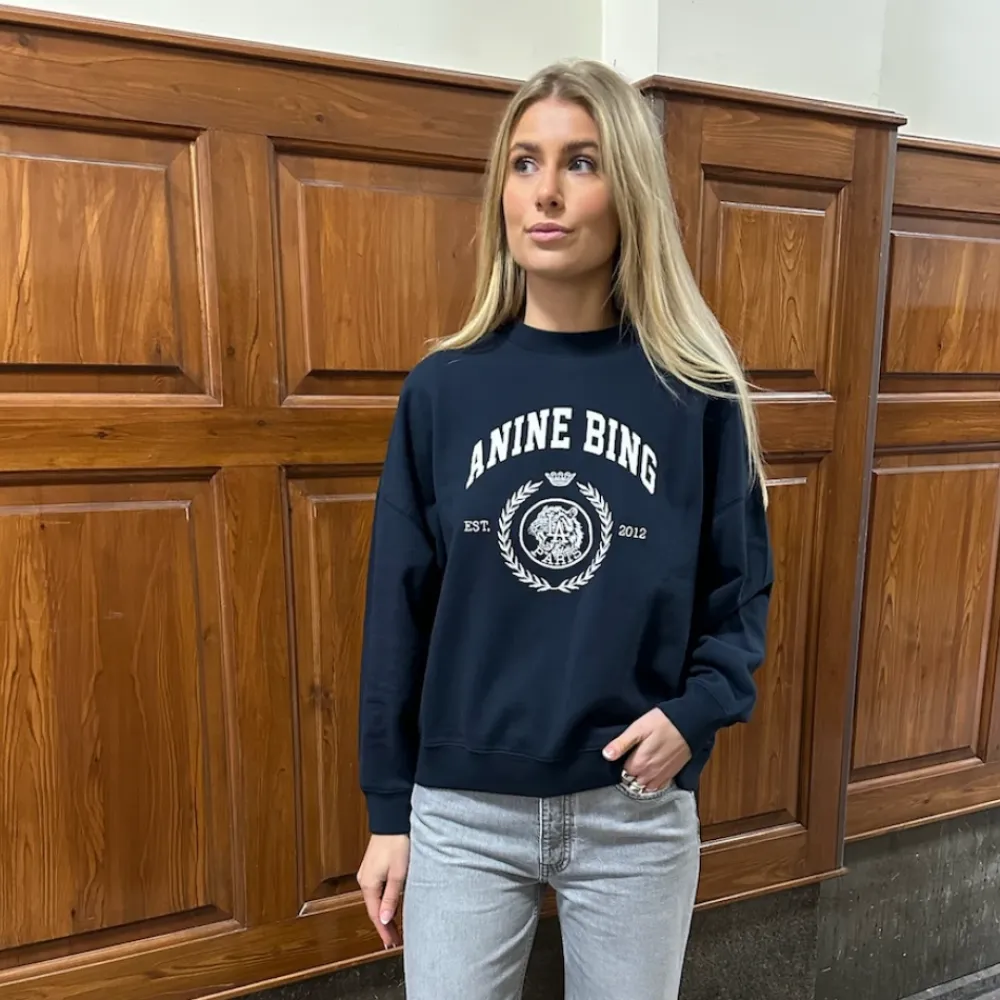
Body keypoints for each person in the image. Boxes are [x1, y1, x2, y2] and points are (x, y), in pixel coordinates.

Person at [355, 57, 773, 1000]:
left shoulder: (695, 393)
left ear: (629, 193)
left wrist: (697, 711)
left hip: (632, 810)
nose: (545, 192)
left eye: (581, 163)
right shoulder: (443, 389)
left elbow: (740, 590)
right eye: (524, 163)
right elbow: (397, 610)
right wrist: (388, 810)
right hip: (462, 814)